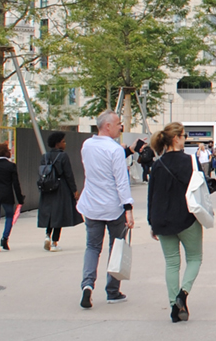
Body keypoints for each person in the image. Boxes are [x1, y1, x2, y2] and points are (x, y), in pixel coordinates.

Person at [147, 123, 204, 323]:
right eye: (183, 135)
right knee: (195, 258)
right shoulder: (190, 160)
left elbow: (151, 194)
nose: (185, 138)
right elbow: (200, 187)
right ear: (176, 138)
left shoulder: (157, 164)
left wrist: (151, 222)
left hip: (162, 219)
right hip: (187, 217)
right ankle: (183, 294)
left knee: (171, 263)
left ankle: (174, 306)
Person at [78, 110, 135, 309]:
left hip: (92, 204)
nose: (121, 127)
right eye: (119, 123)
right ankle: (112, 290)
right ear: (108, 126)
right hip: (113, 206)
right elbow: (121, 180)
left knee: (92, 247)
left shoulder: (87, 146)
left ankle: (87, 285)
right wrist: (128, 207)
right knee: (116, 246)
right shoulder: (115, 150)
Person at [38, 131, 82, 252]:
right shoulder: (63, 156)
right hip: (60, 188)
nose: (65, 143)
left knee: (50, 214)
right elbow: (68, 174)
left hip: (47, 188)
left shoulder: (45, 156)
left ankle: (47, 235)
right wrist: (74, 190)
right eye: (63, 141)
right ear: (57, 144)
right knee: (59, 215)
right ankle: (54, 242)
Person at [0, 142, 24, 252]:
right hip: (7, 195)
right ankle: (5, 239)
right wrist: (20, 199)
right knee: (9, 217)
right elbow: (16, 184)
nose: (10, 152)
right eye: (9, 150)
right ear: (5, 153)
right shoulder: (11, 166)